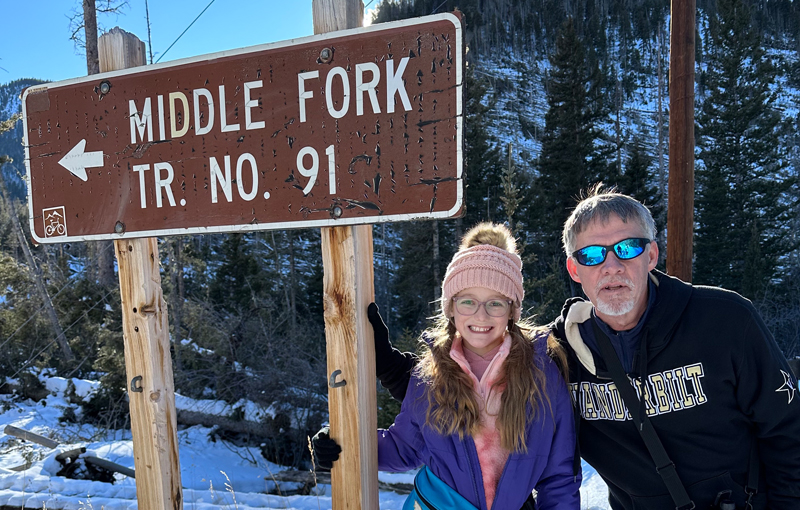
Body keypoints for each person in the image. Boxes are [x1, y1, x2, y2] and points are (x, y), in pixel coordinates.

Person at [369, 188, 800, 510]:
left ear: (651, 255)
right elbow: (475, 377)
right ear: (575, 270)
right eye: (592, 255)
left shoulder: (724, 322)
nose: (611, 266)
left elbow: (788, 433)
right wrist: (388, 364)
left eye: (627, 248)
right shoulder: (560, 351)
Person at [314, 223, 580, 510]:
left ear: (512, 310)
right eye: (468, 301)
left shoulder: (541, 374)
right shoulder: (429, 376)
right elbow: (404, 448)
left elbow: (559, 477)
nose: (481, 314)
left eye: (495, 303)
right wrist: (341, 442)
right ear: (451, 307)